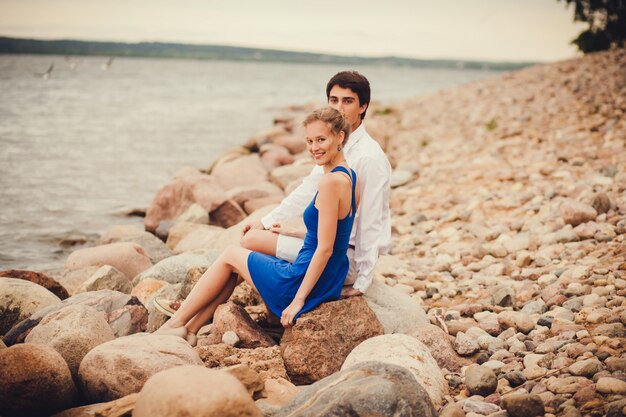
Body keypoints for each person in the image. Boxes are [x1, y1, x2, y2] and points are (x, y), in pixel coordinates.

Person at [155, 108, 360, 345]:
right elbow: (337, 233)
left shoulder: (329, 182)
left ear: (340, 138)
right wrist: (297, 232)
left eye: (321, 139)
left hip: (302, 283)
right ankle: (190, 330)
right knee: (236, 264)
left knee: (230, 255)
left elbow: (325, 249)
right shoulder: (350, 176)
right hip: (329, 278)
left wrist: (298, 301)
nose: (314, 147)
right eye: (310, 141)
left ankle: (176, 324)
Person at [241, 70, 391, 297]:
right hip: (325, 244)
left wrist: (362, 281)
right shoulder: (336, 145)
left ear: (363, 107)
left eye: (348, 101)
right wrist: (266, 221)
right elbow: (307, 189)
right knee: (253, 239)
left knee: (249, 243)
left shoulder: (368, 157)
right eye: (333, 100)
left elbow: (372, 220)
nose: (339, 107)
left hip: (344, 258)